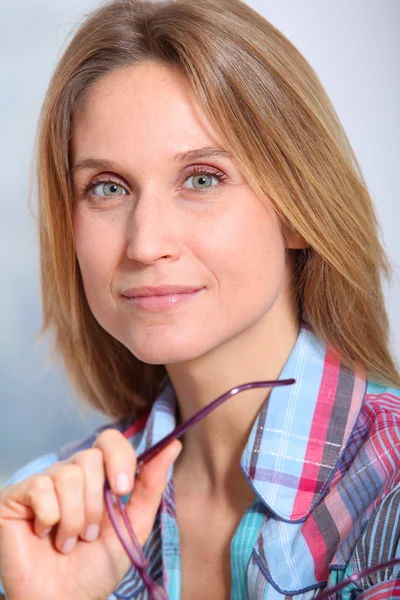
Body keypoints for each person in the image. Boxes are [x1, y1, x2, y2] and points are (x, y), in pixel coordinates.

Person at [0, 0, 399, 598]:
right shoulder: (41, 519)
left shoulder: (388, 490)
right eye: (107, 187)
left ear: (298, 210)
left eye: (202, 178)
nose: (145, 242)